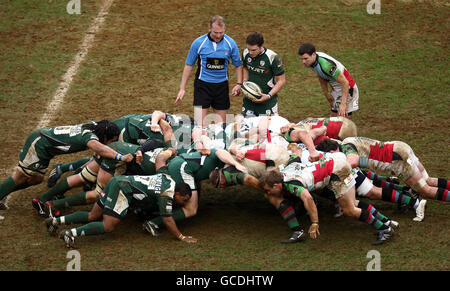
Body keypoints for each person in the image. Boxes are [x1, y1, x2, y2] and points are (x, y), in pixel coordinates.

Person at [259, 154, 397, 245]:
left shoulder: (291, 184)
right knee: (352, 203)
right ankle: (386, 222)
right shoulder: (286, 170)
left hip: (337, 171)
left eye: (268, 190)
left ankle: (385, 229)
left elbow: (307, 198)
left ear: (277, 185)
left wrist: (314, 222)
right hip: (334, 163)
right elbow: (296, 155)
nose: (268, 193)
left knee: (349, 210)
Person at [0, 120, 134, 211]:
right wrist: (120, 157)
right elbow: (99, 148)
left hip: (46, 147)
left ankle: (5, 191)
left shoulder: (95, 126)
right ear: (105, 136)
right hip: (39, 145)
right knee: (20, 177)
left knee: (36, 179)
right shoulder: (90, 137)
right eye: (111, 140)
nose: (111, 142)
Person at [46, 174, 195, 248]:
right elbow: (167, 219)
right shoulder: (167, 195)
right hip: (123, 190)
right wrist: (181, 237)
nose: (184, 202)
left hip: (117, 181)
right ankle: (70, 233)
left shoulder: (168, 178)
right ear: (177, 194)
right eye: (185, 199)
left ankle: (56, 221)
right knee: (108, 226)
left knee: (93, 215)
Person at [315, 137, 450, 211]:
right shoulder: (345, 141)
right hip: (400, 147)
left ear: (332, 152)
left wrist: (338, 168)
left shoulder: (346, 149)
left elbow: (354, 161)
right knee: (428, 180)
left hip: (399, 161)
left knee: (425, 191)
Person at [175, 15, 243, 127]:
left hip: (221, 87)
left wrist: (239, 84)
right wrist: (182, 88)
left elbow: (238, 65)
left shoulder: (231, 43)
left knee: (222, 127)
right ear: (209, 28)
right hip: (202, 86)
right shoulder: (198, 43)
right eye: (216, 32)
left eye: (221, 32)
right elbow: (188, 65)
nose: (218, 35)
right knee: (200, 126)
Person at [298, 43, 359, 117]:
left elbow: (345, 82)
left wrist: (343, 104)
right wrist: (326, 93)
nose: (303, 62)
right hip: (336, 88)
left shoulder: (326, 65)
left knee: (342, 121)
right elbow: (320, 74)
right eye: (302, 59)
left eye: (305, 59)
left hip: (347, 88)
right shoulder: (312, 62)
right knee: (333, 117)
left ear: (313, 54)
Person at [241, 32, 286, 117]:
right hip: (249, 101)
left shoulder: (273, 58)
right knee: (245, 127)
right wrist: (244, 83)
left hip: (267, 102)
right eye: (248, 49)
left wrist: (268, 96)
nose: (250, 52)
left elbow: (281, 80)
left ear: (262, 46)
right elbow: (245, 68)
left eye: (253, 50)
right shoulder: (245, 53)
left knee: (267, 129)